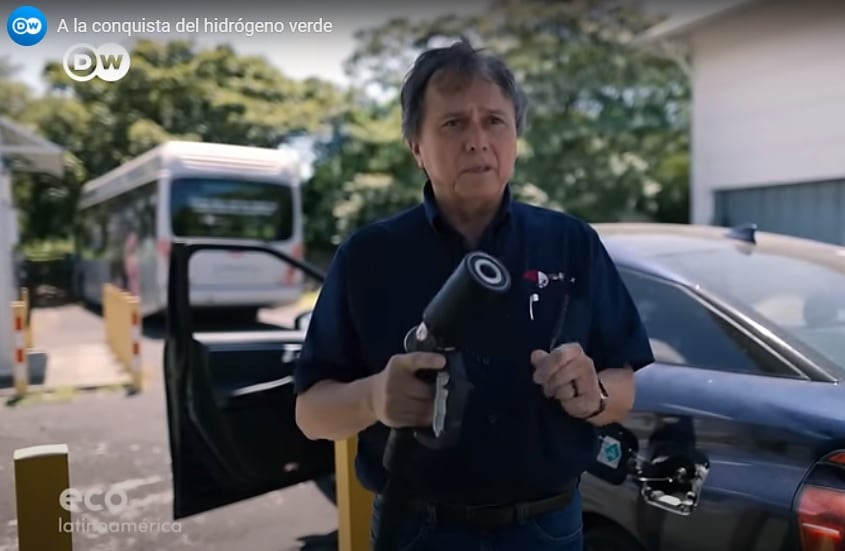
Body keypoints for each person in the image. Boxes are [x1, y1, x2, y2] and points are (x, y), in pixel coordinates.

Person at [294, 40, 655, 551]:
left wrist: (591, 393)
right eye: (453, 123)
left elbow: (624, 389)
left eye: (494, 121)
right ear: (415, 146)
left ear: (515, 136)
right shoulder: (368, 257)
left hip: (548, 526)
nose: (477, 140)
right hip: (415, 528)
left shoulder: (571, 242)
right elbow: (310, 414)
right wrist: (374, 396)